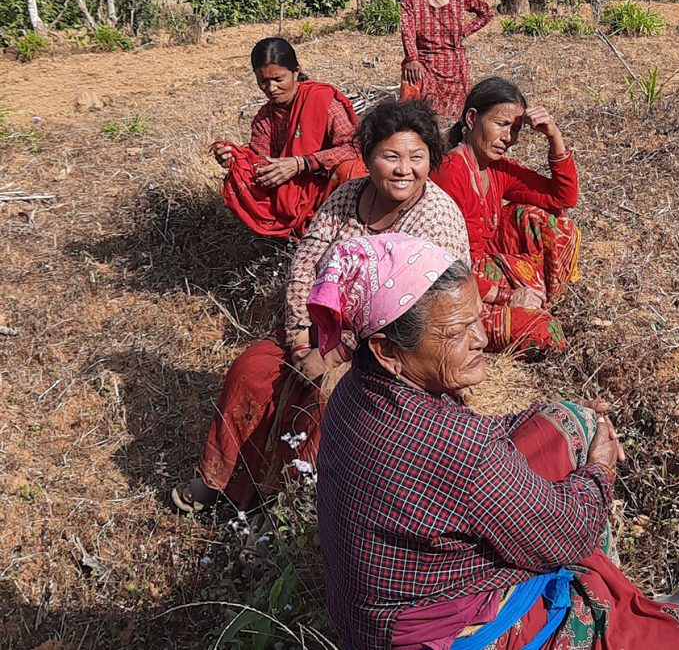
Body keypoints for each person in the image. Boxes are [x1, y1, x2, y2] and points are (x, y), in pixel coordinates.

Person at [311, 233, 679, 650]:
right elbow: (567, 533)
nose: (482, 339)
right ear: (389, 350)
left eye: (477, 320)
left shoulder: (352, 393)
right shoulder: (457, 447)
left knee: (568, 423)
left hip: (376, 621)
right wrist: (600, 470)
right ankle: (611, 606)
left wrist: (566, 421)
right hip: (447, 634)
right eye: (456, 333)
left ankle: (615, 594)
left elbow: (472, 452)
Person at [172, 99, 469, 513]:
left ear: (431, 159)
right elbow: (307, 259)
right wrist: (298, 332)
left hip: (397, 349)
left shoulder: (435, 217)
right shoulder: (350, 195)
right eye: (391, 156)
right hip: (317, 325)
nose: (404, 169)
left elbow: (407, 309)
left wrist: (335, 353)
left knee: (329, 400)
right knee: (252, 371)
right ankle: (220, 479)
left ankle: (295, 508)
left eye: (417, 157)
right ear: (367, 158)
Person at [431, 77, 580, 354]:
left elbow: (562, 197)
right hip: (454, 285)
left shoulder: (496, 169)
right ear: (472, 119)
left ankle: (532, 297)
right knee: (546, 332)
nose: (508, 138)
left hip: (483, 269)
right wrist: (508, 297)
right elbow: (444, 265)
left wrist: (553, 135)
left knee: (551, 224)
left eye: (515, 129)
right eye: (501, 125)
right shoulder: (451, 171)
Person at [211, 37, 367, 239]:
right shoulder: (264, 119)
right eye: (263, 81)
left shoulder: (320, 100)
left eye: (278, 80)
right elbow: (260, 160)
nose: (271, 89)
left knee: (353, 169)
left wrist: (301, 163)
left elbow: (354, 147)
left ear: (296, 72)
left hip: (330, 184)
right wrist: (236, 158)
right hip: (291, 192)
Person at [400, 0, 495, 119]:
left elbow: (486, 13)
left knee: (456, 117)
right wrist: (412, 59)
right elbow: (407, 30)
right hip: (424, 61)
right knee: (416, 115)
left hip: (454, 64)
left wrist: (463, 31)